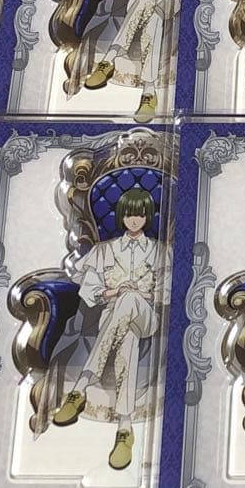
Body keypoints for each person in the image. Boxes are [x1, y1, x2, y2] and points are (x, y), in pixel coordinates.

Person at [50, 188, 169, 470]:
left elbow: (167, 291)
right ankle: (124, 429)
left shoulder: (160, 251)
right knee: (127, 340)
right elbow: (88, 289)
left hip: (146, 316)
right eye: (129, 214)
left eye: (140, 214)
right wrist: (114, 291)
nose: (134, 220)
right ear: (121, 216)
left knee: (131, 301)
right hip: (112, 316)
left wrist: (139, 293)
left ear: (147, 217)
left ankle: (81, 386)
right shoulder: (104, 250)